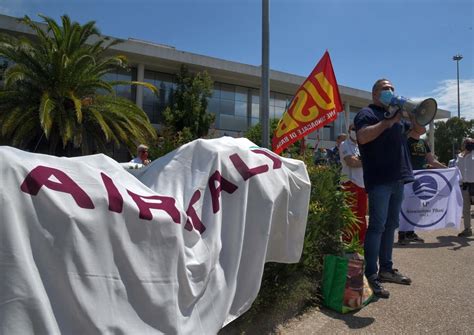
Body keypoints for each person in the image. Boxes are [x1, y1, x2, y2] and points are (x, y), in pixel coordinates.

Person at [354, 78, 416, 298]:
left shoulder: (397, 116)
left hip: (398, 178)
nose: (389, 91)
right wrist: (387, 122)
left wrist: (413, 113)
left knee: (391, 225)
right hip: (380, 179)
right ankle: (371, 275)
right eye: (385, 89)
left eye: (392, 88)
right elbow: (362, 136)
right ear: (374, 94)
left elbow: (417, 133)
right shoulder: (367, 114)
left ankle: (387, 269)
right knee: (377, 226)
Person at [398, 128, 447, 244]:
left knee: (416, 207)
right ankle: (402, 234)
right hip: (407, 179)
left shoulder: (424, 143)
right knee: (405, 206)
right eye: (421, 124)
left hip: (420, 179)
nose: (424, 127)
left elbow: (431, 161)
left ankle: (410, 232)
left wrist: (447, 169)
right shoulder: (405, 141)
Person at [339, 124, 367, 245]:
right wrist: (366, 160)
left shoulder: (362, 145)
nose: (356, 132)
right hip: (350, 183)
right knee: (350, 215)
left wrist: (361, 160)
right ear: (349, 131)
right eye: (354, 129)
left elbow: (358, 161)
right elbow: (351, 162)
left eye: (358, 129)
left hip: (362, 184)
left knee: (361, 215)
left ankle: (361, 242)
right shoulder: (344, 144)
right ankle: (348, 243)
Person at [455, 137, 474, 237]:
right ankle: (467, 229)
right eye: (468, 142)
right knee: (465, 209)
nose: (470, 144)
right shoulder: (459, 156)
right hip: (464, 185)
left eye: (471, 142)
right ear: (463, 144)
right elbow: (455, 170)